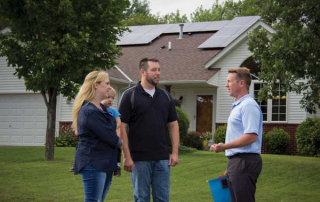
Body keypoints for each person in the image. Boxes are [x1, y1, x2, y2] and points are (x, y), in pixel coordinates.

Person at [118, 58, 179, 202]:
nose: (158, 73)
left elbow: (173, 124)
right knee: (141, 198)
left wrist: (175, 152)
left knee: (162, 199)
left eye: (159, 69)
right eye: (153, 70)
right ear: (142, 72)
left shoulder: (165, 96)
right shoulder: (130, 95)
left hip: (162, 158)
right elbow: (121, 127)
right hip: (139, 159)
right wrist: (126, 156)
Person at [211, 67, 263, 202]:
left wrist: (224, 147)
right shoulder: (238, 105)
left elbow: (251, 136)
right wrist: (231, 165)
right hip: (238, 162)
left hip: (244, 162)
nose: (226, 85)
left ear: (241, 83)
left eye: (229, 81)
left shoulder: (248, 106)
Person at [72, 70, 122, 202]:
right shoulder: (89, 111)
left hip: (106, 162)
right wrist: (128, 145)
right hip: (93, 162)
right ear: (96, 85)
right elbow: (110, 137)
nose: (110, 87)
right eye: (107, 83)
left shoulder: (101, 108)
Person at [101, 87, 122, 177]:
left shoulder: (113, 111)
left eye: (112, 98)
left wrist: (113, 128)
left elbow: (119, 122)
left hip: (112, 134)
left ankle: (117, 166)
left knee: (119, 145)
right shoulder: (98, 109)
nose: (110, 100)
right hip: (101, 135)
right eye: (108, 97)